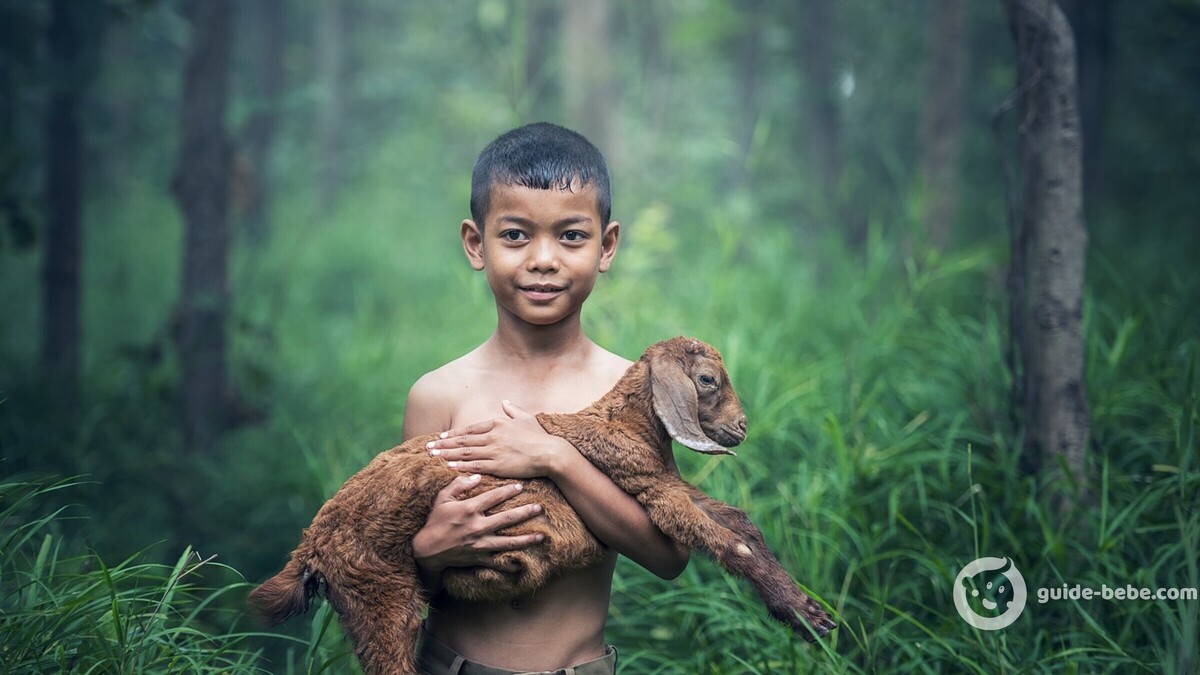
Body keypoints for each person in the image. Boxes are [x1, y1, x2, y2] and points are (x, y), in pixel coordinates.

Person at [401, 122, 689, 674]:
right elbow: (395, 568)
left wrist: (555, 458)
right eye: (514, 235)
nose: (543, 259)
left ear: (606, 246)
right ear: (474, 243)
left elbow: (668, 555)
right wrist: (430, 554)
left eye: (571, 236)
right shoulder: (437, 394)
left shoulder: (629, 391)